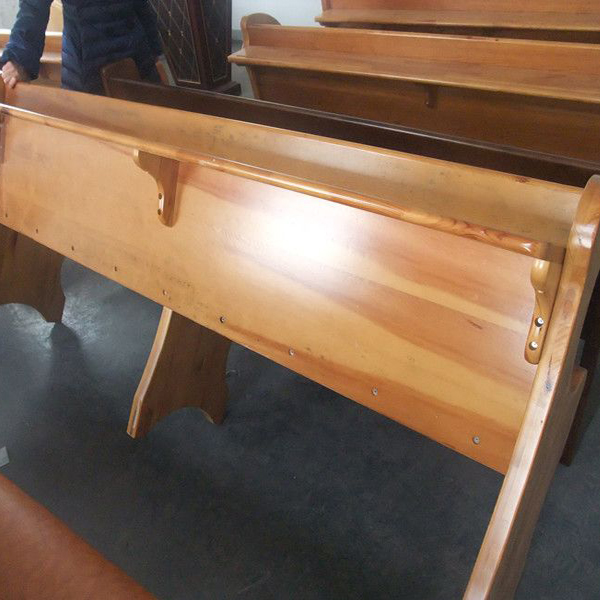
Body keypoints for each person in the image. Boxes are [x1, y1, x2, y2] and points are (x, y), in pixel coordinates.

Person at [1, 0, 162, 94]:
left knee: (149, 127)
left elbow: (141, 5)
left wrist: (154, 46)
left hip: (137, 58)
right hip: (89, 66)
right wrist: (18, 60)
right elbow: (33, 9)